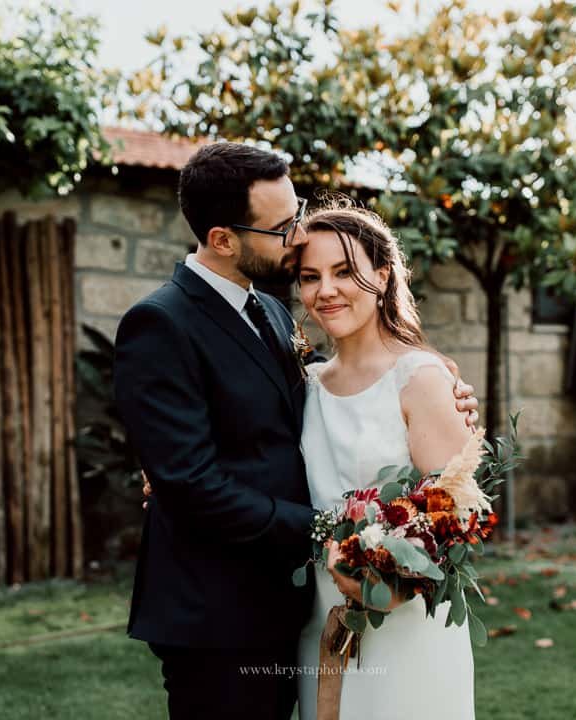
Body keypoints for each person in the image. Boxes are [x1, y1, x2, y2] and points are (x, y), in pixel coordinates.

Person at [113, 142, 478, 720]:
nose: (298, 235)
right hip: (218, 619)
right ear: (223, 240)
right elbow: (190, 480)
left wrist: (438, 394)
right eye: (284, 228)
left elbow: (310, 412)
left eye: (298, 213)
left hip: (300, 607)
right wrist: (331, 528)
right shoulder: (160, 323)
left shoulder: (272, 313)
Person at [294, 202, 476, 720]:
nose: (326, 290)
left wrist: (393, 576)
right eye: (311, 277)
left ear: (382, 275)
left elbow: (457, 512)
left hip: (407, 626)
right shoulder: (305, 384)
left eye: (344, 271)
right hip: (321, 615)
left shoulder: (420, 378)